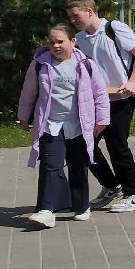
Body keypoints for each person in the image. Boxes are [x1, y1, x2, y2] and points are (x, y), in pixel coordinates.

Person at [16, 25, 111, 229]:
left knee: (78, 167)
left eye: (60, 41)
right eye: (52, 42)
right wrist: (24, 116)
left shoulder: (86, 64)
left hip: (79, 125)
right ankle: (46, 210)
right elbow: (28, 92)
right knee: (51, 166)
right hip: (51, 125)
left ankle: (81, 205)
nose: (56, 45)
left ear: (72, 42)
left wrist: (102, 119)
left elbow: (100, 94)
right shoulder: (40, 64)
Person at [67, 0, 135, 213]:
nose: (73, 20)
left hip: (121, 98)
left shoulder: (114, 28)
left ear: (90, 11)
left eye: (76, 15)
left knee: (117, 146)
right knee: (86, 146)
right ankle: (111, 187)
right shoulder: (79, 39)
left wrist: (132, 82)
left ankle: (134, 194)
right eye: (70, 17)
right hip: (96, 101)